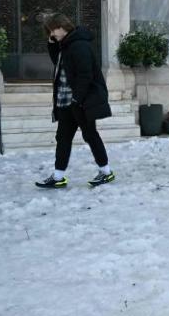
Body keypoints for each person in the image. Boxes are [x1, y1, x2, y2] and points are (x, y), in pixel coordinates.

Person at [35, 13, 114, 189]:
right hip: (65, 101)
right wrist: (51, 43)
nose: (52, 34)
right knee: (63, 138)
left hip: (79, 101)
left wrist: (77, 98)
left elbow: (85, 75)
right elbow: (59, 62)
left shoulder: (79, 46)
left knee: (90, 135)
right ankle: (58, 176)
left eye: (53, 30)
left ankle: (106, 172)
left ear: (62, 27)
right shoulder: (66, 45)